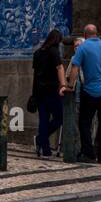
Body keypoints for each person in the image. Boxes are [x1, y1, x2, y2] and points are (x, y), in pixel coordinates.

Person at [66, 24, 101, 164]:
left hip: (90, 91)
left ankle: (89, 153)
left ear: (85, 35)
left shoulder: (82, 47)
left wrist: (70, 85)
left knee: (84, 122)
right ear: (96, 33)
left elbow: (75, 67)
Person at [31, 28, 65, 158]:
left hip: (39, 91)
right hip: (52, 90)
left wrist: (33, 93)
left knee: (44, 119)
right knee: (59, 118)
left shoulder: (38, 53)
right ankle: (40, 139)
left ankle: (45, 148)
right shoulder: (54, 51)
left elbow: (35, 75)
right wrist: (63, 85)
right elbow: (60, 67)